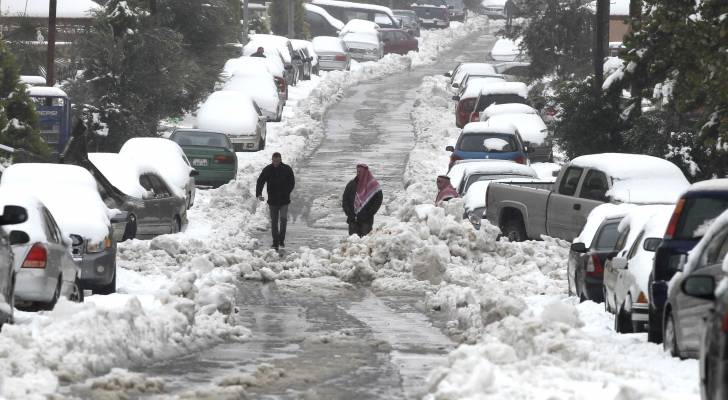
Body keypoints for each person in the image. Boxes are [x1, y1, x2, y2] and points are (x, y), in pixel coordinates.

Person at [256, 152, 295, 250]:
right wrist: (259, 194)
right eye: (273, 161)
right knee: (274, 221)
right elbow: (260, 181)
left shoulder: (287, 169)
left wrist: (287, 192)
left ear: (280, 160)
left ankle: (281, 240)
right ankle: (275, 242)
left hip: (284, 200)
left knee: (283, 220)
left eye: (277, 161)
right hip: (272, 200)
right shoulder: (268, 169)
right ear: (272, 160)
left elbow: (292, 182)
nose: (275, 163)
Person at [342, 164, 383, 237]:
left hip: (366, 222)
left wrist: (368, 214)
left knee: (365, 243)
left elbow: (377, 202)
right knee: (353, 243)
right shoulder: (351, 184)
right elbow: (345, 200)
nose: (358, 173)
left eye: (360, 172)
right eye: (357, 171)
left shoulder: (373, 186)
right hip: (353, 221)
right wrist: (350, 214)